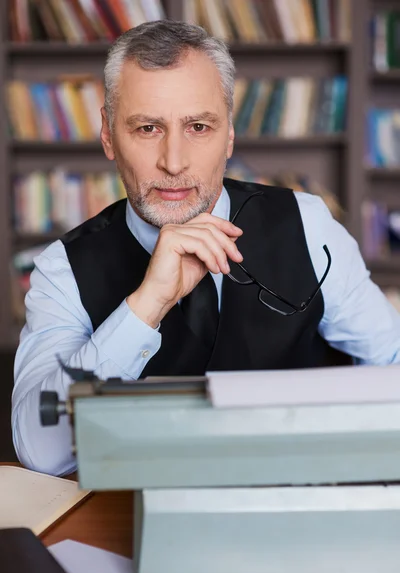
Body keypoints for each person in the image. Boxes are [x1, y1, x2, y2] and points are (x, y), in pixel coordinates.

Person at [12, 20, 400, 476]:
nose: (173, 162)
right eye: (147, 128)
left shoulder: (309, 224)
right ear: (108, 135)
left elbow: (391, 365)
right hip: (135, 517)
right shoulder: (63, 269)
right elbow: (39, 450)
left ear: (229, 135)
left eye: (198, 126)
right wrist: (143, 307)